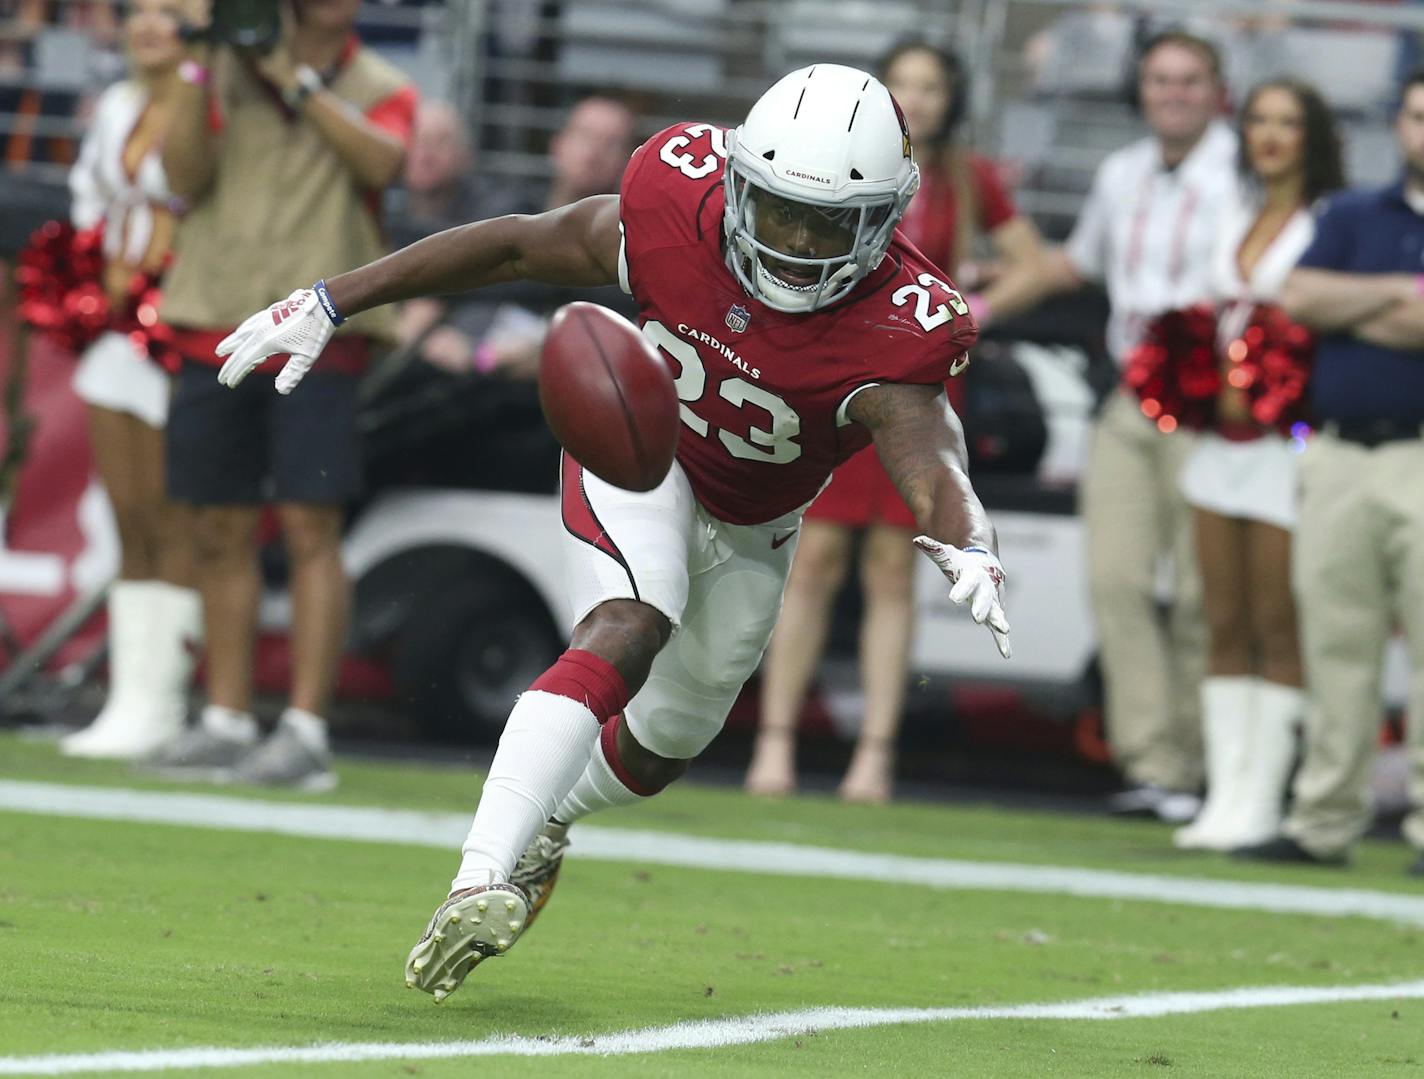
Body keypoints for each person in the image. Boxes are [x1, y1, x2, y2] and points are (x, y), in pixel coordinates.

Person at [214, 63, 1012, 1000]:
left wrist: (968, 538)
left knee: (665, 743)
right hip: (644, 455)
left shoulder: (905, 320)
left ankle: (549, 819)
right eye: (778, 209)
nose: (796, 242)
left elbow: (931, 452)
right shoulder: (673, 196)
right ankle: (479, 874)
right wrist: (332, 299)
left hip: (757, 523)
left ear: (883, 221)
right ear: (736, 179)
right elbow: (517, 246)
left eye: (826, 221)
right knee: (635, 615)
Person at [744, 40, 1045, 804]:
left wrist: (972, 312)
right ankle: (773, 747)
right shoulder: (840, 155)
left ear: (954, 98)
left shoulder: (969, 179)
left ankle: (874, 754)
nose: (920, 97)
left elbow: (1041, 263)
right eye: (904, 82)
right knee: (810, 565)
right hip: (837, 379)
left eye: (933, 85)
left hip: (917, 390)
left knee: (891, 571)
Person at [147, 0, 416, 789]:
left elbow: (385, 165)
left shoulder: (380, 82)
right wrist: (199, 61)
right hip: (214, 315)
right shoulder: (221, 71)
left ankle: (305, 728)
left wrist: (294, 85)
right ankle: (227, 718)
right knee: (218, 525)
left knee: (310, 523)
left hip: (318, 330)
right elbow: (180, 175)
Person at [1022, 30, 1237, 822]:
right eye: (1159, 80)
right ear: (1140, 90)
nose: (1173, 93)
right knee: (1115, 579)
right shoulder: (1122, 173)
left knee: (1206, 590)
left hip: (1218, 404)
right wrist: (977, 289)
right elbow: (1076, 263)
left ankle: (1201, 761)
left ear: (1218, 89)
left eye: (1188, 80)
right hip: (1129, 398)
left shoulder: (1246, 169)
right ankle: (1153, 763)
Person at [1235, 72, 1424, 876]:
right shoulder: (1350, 215)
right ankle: (1323, 819)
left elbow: (1324, 300)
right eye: (1419, 115)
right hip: (1340, 453)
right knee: (1335, 644)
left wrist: (1354, 306)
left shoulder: (1345, 223)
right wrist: (1395, 292)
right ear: (1397, 123)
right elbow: (1298, 294)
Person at [1171, 80, 1343, 851]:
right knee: (1223, 616)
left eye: (1288, 123)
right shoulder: (1232, 212)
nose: (1271, 136)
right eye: (1259, 121)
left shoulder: (1330, 220)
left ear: (1314, 136)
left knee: (1280, 619)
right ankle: (1225, 797)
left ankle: (1265, 800)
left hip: (1287, 443)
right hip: (1219, 440)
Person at [58, 0, 201, 761]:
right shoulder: (114, 103)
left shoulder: (213, 103)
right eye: (139, 10)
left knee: (171, 511)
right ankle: (129, 698)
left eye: (172, 12)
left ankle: (165, 704)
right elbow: (90, 198)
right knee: (126, 514)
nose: (151, 24)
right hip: (114, 324)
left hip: (180, 324)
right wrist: (91, 279)